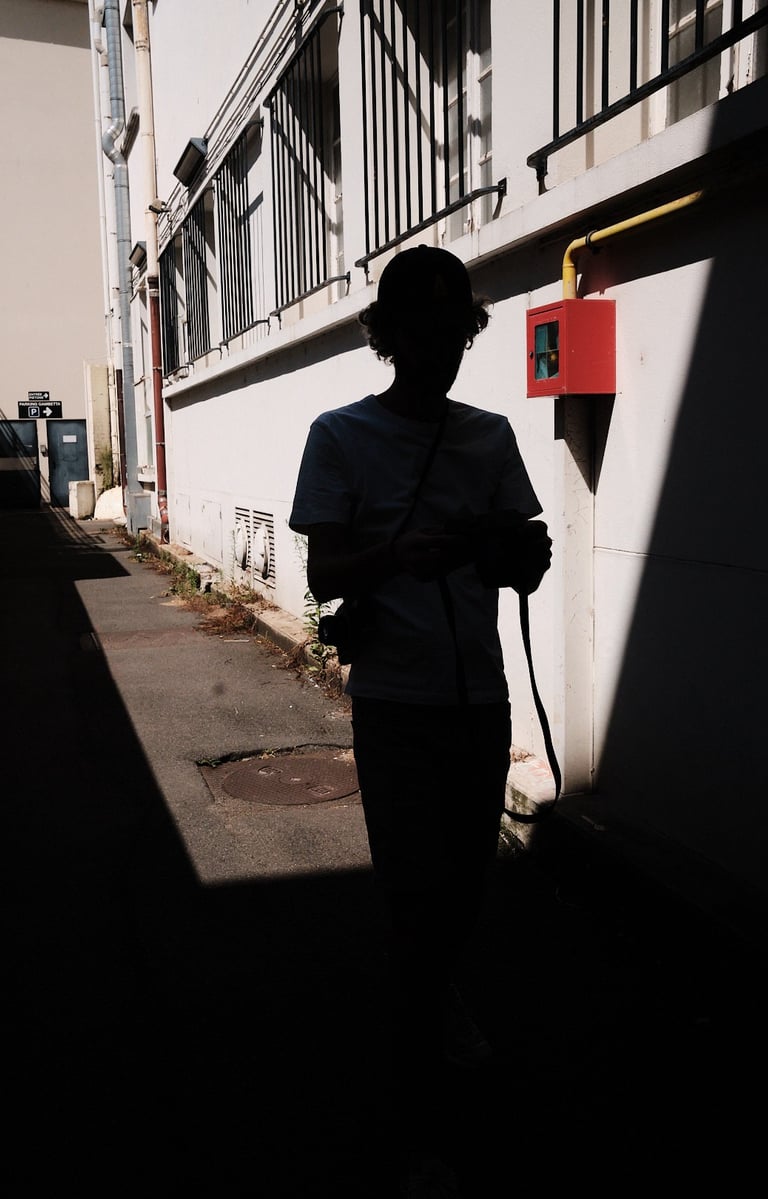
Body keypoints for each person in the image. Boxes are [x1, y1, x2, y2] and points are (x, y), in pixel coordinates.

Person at [289, 245, 551, 1188]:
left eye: (455, 334)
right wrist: (403, 556)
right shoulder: (339, 435)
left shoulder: (489, 437)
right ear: (389, 338)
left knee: (467, 885)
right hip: (395, 702)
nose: (441, 350)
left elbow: (523, 554)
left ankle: (434, 995)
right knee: (413, 890)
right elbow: (323, 576)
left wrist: (518, 554)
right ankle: (414, 1102)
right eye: (423, 334)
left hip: (480, 696)